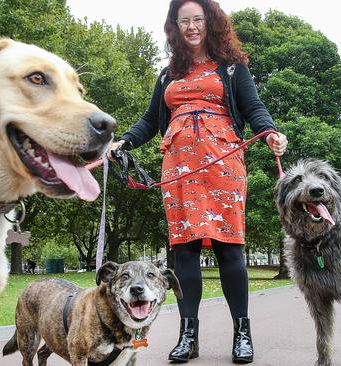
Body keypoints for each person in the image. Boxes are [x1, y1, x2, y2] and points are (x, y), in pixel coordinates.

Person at [108, 0, 287, 363]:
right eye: (183, 21)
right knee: (184, 251)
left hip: (223, 164)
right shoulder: (167, 75)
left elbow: (253, 108)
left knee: (229, 248)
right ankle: (188, 336)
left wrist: (269, 133)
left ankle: (242, 334)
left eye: (197, 20)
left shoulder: (232, 68)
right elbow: (148, 121)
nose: (191, 27)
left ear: (211, 23)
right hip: (179, 168)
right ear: (175, 27)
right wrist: (124, 141)